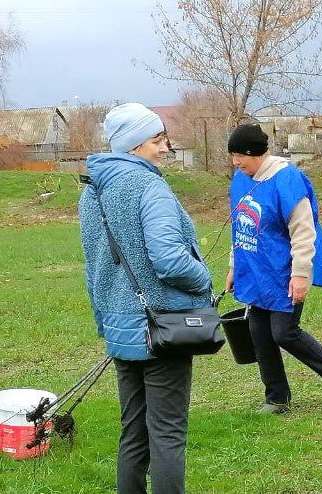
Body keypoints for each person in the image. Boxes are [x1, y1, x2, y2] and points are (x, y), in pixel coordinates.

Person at [79, 103, 213, 493]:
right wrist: (203, 280)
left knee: (133, 432)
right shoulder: (148, 186)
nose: (166, 147)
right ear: (134, 145)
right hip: (162, 327)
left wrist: (105, 321)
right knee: (168, 434)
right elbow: (170, 259)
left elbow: (94, 268)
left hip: (121, 328)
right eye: (157, 140)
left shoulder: (91, 190)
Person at [225, 123, 322, 415]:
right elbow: (240, 225)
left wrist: (300, 274)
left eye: (238, 156)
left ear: (253, 153)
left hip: (284, 271)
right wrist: (235, 265)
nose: (235, 163)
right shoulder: (242, 179)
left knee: (283, 332)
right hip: (256, 271)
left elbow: (304, 232)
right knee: (259, 333)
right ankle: (277, 398)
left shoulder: (286, 180)